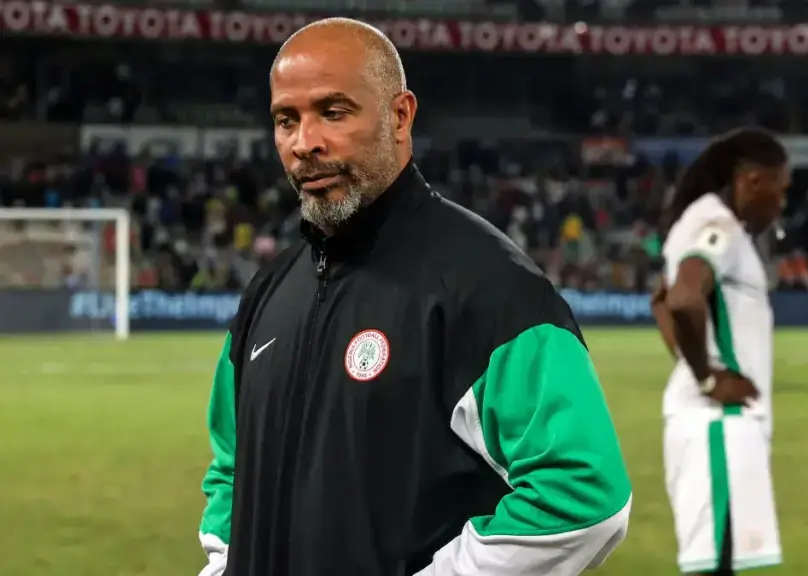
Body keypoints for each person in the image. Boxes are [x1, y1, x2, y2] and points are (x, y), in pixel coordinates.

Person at [196, 17, 632, 576]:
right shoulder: (268, 293)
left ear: (400, 116)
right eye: (287, 120)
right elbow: (233, 469)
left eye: (334, 112)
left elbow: (584, 492)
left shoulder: (489, 287)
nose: (305, 143)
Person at [650, 128, 789, 575]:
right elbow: (682, 299)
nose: (781, 203)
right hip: (720, 427)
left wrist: (694, 367)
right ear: (752, 181)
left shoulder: (698, 222)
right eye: (780, 189)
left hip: (711, 426)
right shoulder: (719, 227)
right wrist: (708, 377)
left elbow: (662, 301)